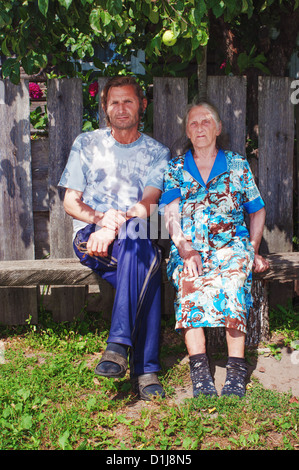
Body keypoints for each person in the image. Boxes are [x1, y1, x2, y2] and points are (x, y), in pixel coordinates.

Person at [58, 76, 170, 400]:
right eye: (114, 102)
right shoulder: (86, 144)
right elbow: (70, 201)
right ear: (105, 109)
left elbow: (149, 203)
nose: (121, 109)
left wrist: (115, 223)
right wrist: (99, 220)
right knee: (147, 265)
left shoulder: (157, 152)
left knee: (139, 238)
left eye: (128, 101)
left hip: (136, 228)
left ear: (142, 105)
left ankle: (118, 345)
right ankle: (146, 369)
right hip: (92, 236)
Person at [160, 101, 269, 398]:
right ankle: (199, 370)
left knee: (234, 282)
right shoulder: (175, 168)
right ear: (187, 131)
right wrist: (184, 248)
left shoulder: (236, 165)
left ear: (218, 128)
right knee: (188, 282)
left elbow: (257, 210)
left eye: (206, 122)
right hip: (190, 247)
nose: (199, 128)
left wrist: (253, 248)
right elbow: (170, 214)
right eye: (193, 123)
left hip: (231, 245)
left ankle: (235, 368)